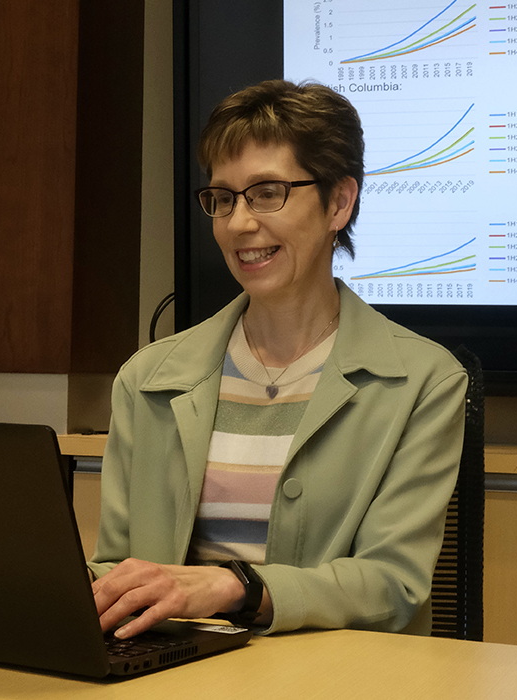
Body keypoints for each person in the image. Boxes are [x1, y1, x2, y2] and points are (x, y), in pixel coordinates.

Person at [88, 79, 466, 639]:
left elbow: (393, 584)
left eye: (268, 192)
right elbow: (116, 567)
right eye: (223, 198)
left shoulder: (424, 381)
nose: (239, 223)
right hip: (171, 673)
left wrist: (237, 587)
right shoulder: (146, 379)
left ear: (339, 201)